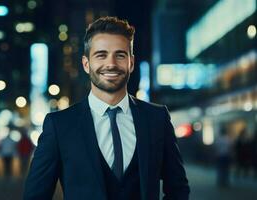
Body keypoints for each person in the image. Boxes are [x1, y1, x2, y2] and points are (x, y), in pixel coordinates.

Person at [23, 16, 190, 200]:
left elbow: (178, 189)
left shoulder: (157, 118)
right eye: (101, 55)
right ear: (86, 64)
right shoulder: (59, 125)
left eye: (120, 55)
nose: (111, 64)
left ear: (131, 63)